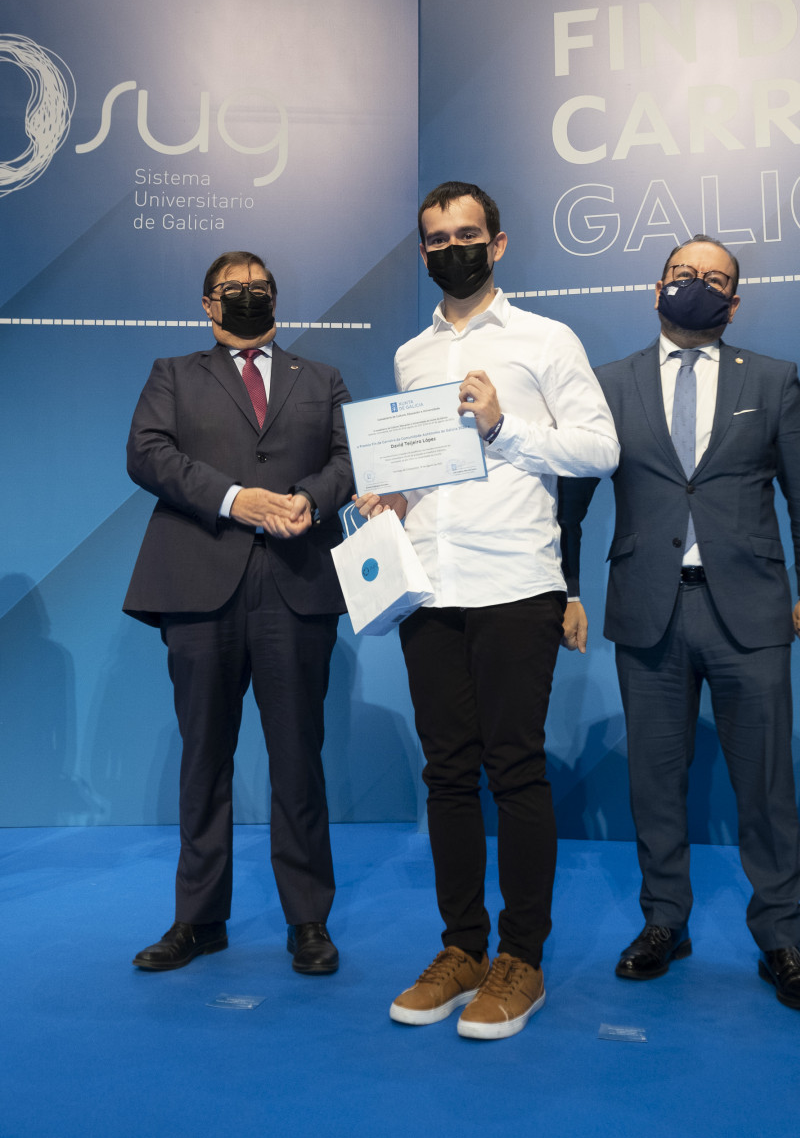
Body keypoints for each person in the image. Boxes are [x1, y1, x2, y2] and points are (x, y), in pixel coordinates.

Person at [356, 181, 619, 1039]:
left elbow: (600, 448)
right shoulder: (408, 356)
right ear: (423, 250)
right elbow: (419, 467)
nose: (450, 248)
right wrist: (387, 497)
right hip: (431, 587)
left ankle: (522, 961)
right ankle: (462, 948)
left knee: (515, 768)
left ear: (498, 245)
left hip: (516, 584)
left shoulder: (547, 338)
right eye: (435, 238)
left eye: (466, 234)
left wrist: (506, 427)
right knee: (446, 773)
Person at [559, 234, 800, 1012]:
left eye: (716, 280)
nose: (698, 287)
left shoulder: (774, 380)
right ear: (656, 288)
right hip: (648, 610)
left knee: (766, 786)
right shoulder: (608, 385)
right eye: (685, 275)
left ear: (736, 301)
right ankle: (664, 922)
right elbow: (569, 501)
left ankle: (781, 938)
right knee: (653, 781)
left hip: (749, 611)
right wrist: (563, 591)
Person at [124, 250, 353, 975]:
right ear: (206, 304)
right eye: (234, 289)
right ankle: (199, 919)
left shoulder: (322, 378)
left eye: (261, 287)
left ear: (277, 298)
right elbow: (146, 453)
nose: (249, 296)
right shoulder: (172, 374)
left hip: (297, 583)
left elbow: (352, 458)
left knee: (297, 761)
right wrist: (234, 499)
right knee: (204, 760)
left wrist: (313, 497)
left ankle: (309, 921)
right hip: (198, 587)